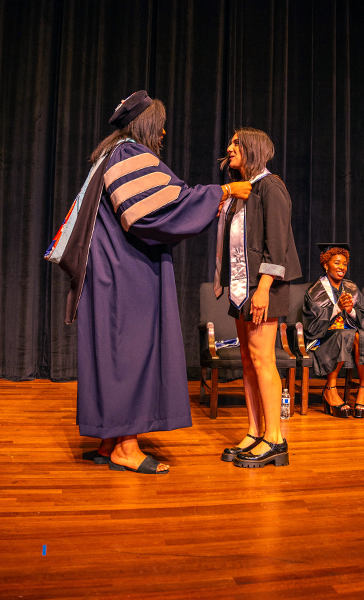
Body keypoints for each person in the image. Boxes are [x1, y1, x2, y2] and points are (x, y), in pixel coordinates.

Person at [46, 91, 251, 474]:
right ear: (145, 124)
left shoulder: (109, 156)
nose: (164, 131)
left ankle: (110, 441)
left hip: (111, 272)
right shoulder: (128, 154)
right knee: (131, 354)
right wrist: (222, 191)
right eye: (160, 123)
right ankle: (126, 447)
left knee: (115, 355)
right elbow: (156, 212)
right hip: (124, 275)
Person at [214, 127, 302, 468]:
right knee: (248, 360)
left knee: (263, 359)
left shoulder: (271, 187)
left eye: (236, 143)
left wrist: (264, 286)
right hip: (242, 286)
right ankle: (254, 431)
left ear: (252, 148)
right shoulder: (243, 191)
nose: (229, 148)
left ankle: (275, 439)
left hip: (265, 286)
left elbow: (276, 243)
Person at [302, 244, 364, 418]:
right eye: (337, 263)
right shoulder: (315, 291)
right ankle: (331, 388)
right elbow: (312, 325)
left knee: (362, 335)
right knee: (346, 334)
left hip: (351, 336)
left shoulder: (352, 288)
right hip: (323, 338)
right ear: (326, 265)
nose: (341, 267)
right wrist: (336, 308)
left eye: (344, 264)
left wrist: (351, 310)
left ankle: (363, 389)